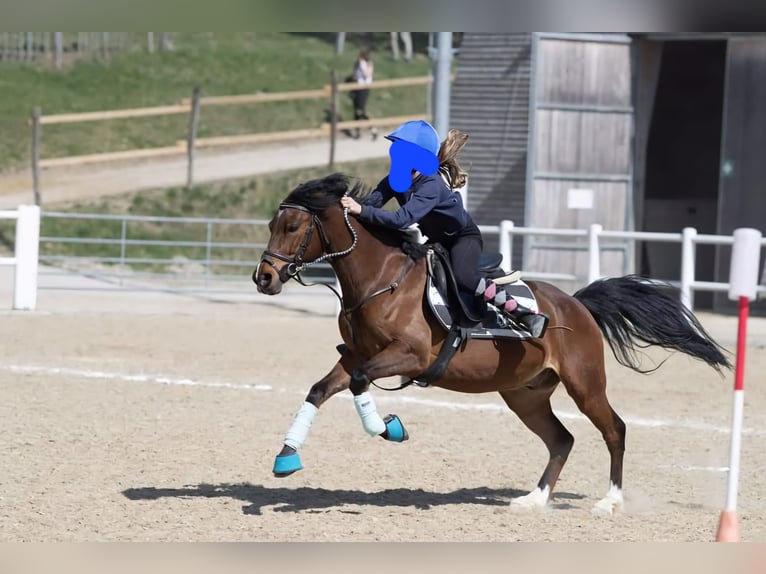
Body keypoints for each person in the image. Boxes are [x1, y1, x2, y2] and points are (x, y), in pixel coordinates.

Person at [340, 120, 549, 338]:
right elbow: (370, 203)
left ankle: (522, 314)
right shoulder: (396, 179)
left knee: (463, 276)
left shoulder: (432, 186)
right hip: (436, 241)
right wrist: (342, 205)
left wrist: (361, 210)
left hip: (462, 239)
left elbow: (401, 219)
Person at [348, 46, 378, 140]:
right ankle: (357, 131)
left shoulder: (367, 63)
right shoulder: (358, 63)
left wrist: (362, 64)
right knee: (356, 110)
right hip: (356, 87)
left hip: (364, 88)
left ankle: (373, 129)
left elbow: (367, 74)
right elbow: (355, 74)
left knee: (361, 110)